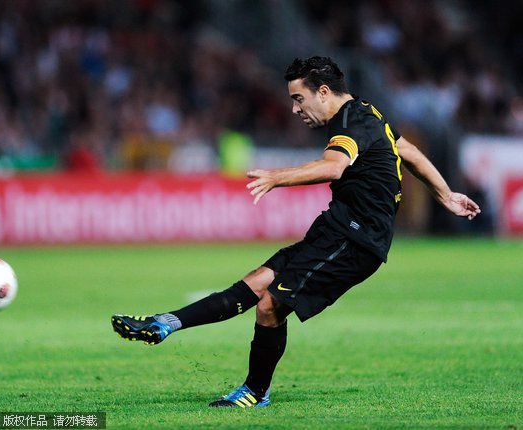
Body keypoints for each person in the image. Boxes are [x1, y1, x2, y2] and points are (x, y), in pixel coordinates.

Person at [111, 56, 481, 408]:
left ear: (323, 92)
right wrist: (445, 195)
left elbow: (334, 167)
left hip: (356, 242)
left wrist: (276, 177)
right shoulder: (368, 114)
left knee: (270, 306)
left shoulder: (350, 123)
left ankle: (255, 392)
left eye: (298, 98)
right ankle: (165, 324)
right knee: (255, 283)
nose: (294, 109)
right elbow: (409, 152)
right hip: (336, 229)